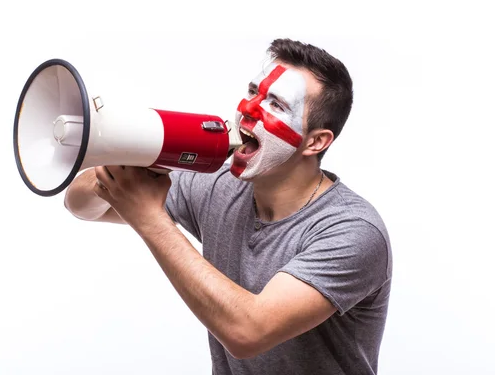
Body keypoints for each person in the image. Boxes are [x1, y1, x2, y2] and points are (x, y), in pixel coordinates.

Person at [64, 38, 392, 375]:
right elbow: (81, 205)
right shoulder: (220, 183)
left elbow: (248, 332)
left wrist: (148, 216)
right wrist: (123, 170)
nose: (249, 110)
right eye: (253, 92)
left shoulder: (352, 230)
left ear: (316, 141)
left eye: (276, 105)